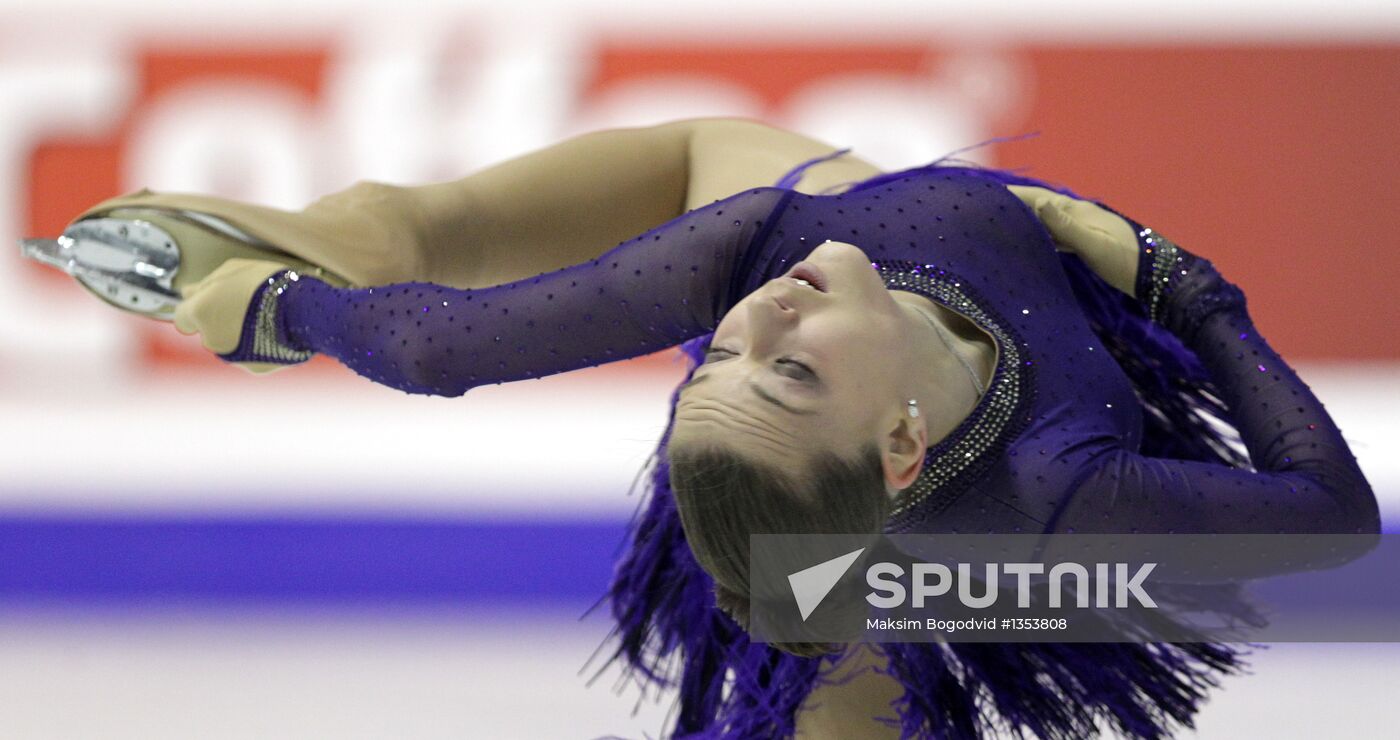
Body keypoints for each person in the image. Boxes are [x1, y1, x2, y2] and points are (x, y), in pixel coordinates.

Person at [77, 117, 1379, 738]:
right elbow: (1327, 519)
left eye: (740, 358)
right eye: (777, 364)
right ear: (902, 444)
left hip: (839, 506)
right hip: (857, 526)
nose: (760, 317)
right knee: (842, 671)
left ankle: (362, 229)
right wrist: (1184, 289)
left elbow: (446, 345)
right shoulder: (1048, 487)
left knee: (838, 655)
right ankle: (354, 230)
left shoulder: (773, 260)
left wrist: (285, 312)